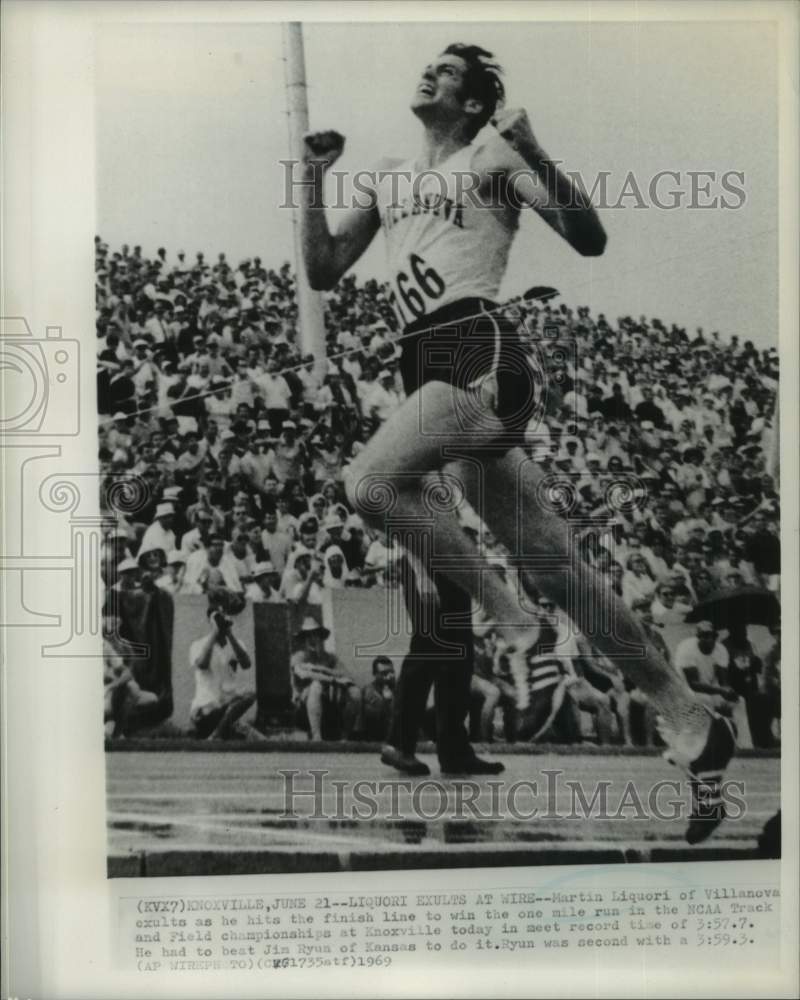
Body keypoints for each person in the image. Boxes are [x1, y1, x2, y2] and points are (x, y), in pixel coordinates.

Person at [300, 42, 734, 840]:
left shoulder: (494, 155)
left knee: (368, 485)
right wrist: (312, 177)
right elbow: (324, 269)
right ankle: (690, 718)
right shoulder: (390, 173)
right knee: (559, 566)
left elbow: (589, 236)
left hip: (476, 345)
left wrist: (534, 148)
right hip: (420, 361)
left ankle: (512, 622)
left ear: (473, 104)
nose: (428, 73)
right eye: (426, 65)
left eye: (448, 73)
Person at [188, 606, 262, 740]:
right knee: (245, 697)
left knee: (260, 739)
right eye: (218, 618)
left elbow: (246, 664)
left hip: (226, 709)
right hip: (205, 709)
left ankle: (221, 732)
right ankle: (217, 734)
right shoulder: (199, 644)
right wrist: (215, 632)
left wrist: (230, 634)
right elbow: (202, 665)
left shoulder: (236, 643)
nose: (222, 621)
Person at [290, 618, 361, 741]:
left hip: (329, 706)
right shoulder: (298, 657)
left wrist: (320, 668)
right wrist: (333, 680)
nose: (312, 639)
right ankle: (316, 737)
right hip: (303, 709)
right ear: (303, 640)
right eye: (308, 636)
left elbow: (347, 676)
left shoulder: (330, 658)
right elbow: (304, 675)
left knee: (355, 692)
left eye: (315, 635)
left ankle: (345, 737)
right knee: (316, 685)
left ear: (321, 638)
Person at [361, 656, 397, 742]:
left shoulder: (399, 688)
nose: (389, 676)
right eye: (384, 673)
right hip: (376, 738)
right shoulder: (369, 692)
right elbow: (372, 721)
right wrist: (386, 702)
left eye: (391, 672)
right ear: (375, 674)